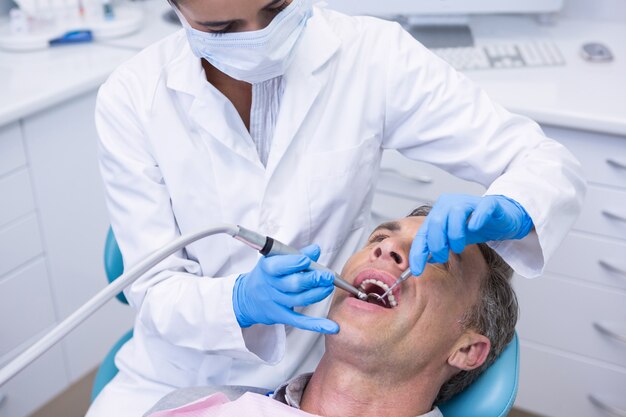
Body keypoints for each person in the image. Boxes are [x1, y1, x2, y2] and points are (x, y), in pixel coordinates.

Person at [87, 0, 585, 415]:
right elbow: (151, 293)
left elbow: (539, 160)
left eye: (276, 7)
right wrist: (236, 302)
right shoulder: (132, 98)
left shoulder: (371, 56)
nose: (258, 35)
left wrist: (515, 206)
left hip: (314, 368)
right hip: (175, 374)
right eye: (222, 28)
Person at [144, 206, 518, 417]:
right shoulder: (196, 407)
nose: (386, 249)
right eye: (379, 237)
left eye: (433, 258)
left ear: (466, 350)